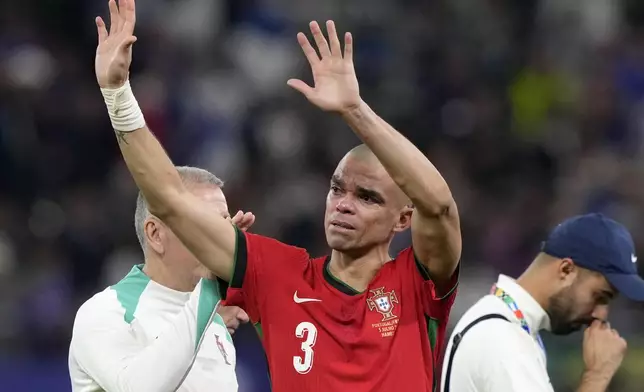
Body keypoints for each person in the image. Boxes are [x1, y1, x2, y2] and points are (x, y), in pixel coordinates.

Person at [92, 0, 461, 390]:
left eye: (367, 197)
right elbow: (168, 198)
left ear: (403, 219)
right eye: (337, 189)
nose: (343, 204)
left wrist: (355, 111)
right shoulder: (278, 274)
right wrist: (117, 94)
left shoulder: (417, 283)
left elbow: (438, 205)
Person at [68, 166, 254, 392]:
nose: (221, 237)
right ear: (156, 234)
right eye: (205, 223)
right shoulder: (106, 311)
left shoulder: (213, 326)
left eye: (224, 224)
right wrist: (210, 286)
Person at [441, 213, 642, 392]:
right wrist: (598, 375)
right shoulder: (501, 337)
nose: (600, 314)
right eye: (599, 296)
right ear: (566, 270)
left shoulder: (510, 326)